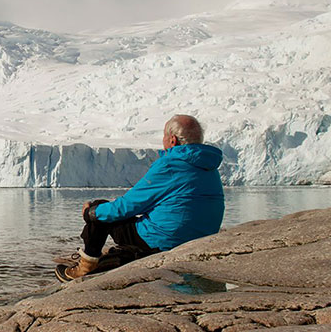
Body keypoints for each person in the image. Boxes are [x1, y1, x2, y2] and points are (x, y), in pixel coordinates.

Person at [56, 114, 225, 282]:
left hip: (164, 242)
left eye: (164, 136)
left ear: (172, 140)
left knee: (100, 210)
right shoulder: (209, 166)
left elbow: (128, 206)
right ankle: (112, 256)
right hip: (198, 241)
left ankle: (84, 269)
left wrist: (90, 213)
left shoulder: (170, 165)